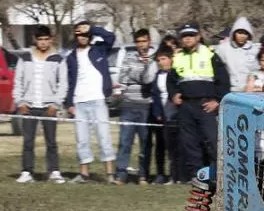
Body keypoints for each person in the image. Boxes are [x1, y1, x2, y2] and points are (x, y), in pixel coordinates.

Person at [168, 22, 230, 182]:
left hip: (206, 106)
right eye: (184, 36)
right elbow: (171, 80)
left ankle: (219, 175)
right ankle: (198, 176)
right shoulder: (178, 57)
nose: (187, 39)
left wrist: (217, 100)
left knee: (213, 141)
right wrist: (173, 94)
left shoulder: (210, 54)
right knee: (190, 142)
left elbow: (223, 80)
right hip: (186, 106)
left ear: (198, 36)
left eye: (190, 35)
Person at [12, 25, 67, 184]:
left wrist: (55, 104)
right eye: (40, 39)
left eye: (46, 39)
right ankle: (27, 171)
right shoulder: (25, 58)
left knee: (51, 141)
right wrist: (20, 102)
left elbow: (63, 84)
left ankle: (54, 171)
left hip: (49, 107)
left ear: (51, 39)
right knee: (28, 141)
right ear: (35, 40)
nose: (43, 42)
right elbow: (18, 82)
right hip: (29, 106)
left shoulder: (58, 59)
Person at [65, 21, 117, 184]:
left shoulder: (99, 49)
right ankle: (84, 174)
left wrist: (92, 29)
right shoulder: (71, 57)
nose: (83, 37)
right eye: (79, 34)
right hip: (79, 101)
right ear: (75, 36)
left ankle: (109, 175)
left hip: (98, 100)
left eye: (86, 34)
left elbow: (111, 37)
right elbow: (70, 81)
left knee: (104, 136)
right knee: (82, 139)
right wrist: (69, 103)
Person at [114, 28, 156, 184]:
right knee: (125, 141)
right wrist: (140, 76)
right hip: (128, 105)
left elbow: (149, 80)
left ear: (149, 41)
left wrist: (138, 74)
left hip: (146, 106)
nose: (141, 44)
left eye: (144, 41)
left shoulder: (155, 58)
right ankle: (121, 173)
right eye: (138, 41)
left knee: (145, 143)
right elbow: (122, 78)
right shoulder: (129, 56)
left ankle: (143, 174)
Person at [148, 46, 179, 184]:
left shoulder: (176, 73)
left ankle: (177, 175)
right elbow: (155, 95)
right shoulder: (157, 76)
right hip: (163, 114)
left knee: (178, 145)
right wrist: (157, 113)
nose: (161, 62)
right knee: (166, 146)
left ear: (171, 59)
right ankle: (167, 175)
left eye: (164, 59)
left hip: (175, 112)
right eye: (158, 60)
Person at [217, 17, 259, 93]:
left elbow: (256, 70)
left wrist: (251, 82)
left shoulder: (254, 50)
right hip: (229, 91)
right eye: (239, 33)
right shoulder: (223, 49)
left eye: (245, 33)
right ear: (234, 33)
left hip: (249, 91)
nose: (242, 36)